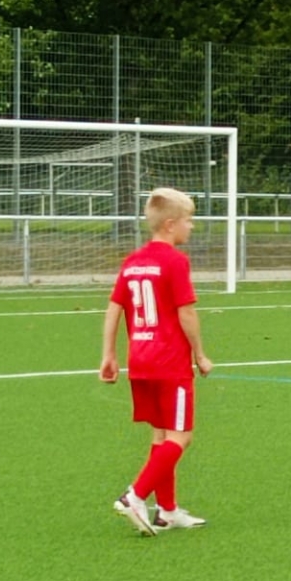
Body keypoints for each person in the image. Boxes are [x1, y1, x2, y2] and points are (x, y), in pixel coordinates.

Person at [99, 187, 214, 535]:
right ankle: (135, 495)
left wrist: (108, 353)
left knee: (161, 434)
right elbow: (186, 312)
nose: (192, 226)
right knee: (181, 436)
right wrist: (200, 353)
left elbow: (114, 307)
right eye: (188, 220)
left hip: (141, 360)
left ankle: (167, 511)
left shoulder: (133, 261)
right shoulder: (175, 261)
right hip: (170, 362)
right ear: (170, 224)